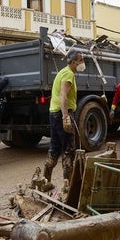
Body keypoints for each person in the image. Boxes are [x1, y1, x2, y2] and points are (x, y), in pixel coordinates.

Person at [41, 51, 84, 189]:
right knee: (68, 150)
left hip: (54, 113)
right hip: (62, 113)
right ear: (73, 62)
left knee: (54, 148)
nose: (82, 63)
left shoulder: (62, 72)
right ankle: (68, 187)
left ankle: (45, 182)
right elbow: (63, 96)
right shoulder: (68, 74)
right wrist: (66, 117)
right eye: (81, 60)